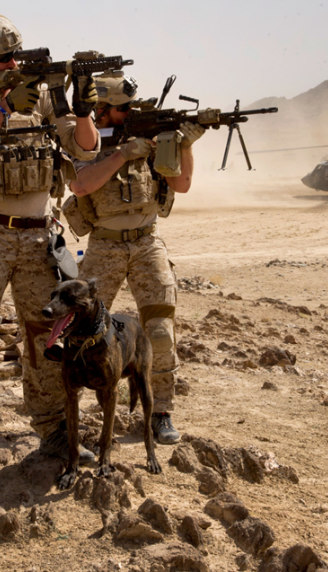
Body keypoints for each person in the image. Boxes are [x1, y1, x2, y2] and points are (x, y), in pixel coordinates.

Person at [0, 13, 100, 483]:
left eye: (16, 55)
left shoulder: (45, 96)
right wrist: (5, 109)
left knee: (45, 338)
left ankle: (52, 429)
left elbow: (85, 149)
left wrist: (83, 109)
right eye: (4, 57)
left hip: (38, 237)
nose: (12, 63)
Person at [64, 71, 205, 445]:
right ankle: (72, 413)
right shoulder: (84, 144)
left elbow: (182, 184)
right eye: (122, 109)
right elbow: (80, 185)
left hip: (147, 243)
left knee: (159, 332)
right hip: (104, 246)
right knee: (82, 333)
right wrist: (123, 153)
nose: (129, 114)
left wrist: (184, 145)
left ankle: (160, 412)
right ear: (102, 111)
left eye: (131, 108)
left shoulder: (150, 139)